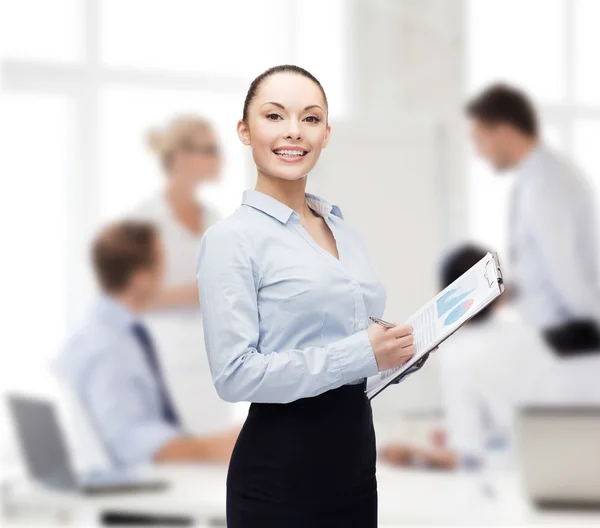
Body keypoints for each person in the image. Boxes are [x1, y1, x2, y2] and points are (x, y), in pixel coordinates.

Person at [196, 65, 422, 527]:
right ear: (245, 130)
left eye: (311, 119)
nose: (294, 132)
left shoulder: (342, 227)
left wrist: (394, 352)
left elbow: (350, 344)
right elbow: (235, 375)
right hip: (279, 476)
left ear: (326, 134)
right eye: (274, 116)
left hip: (355, 466)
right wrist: (360, 352)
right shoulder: (231, 240)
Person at [58, 221, 238, 466]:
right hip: (132, 489)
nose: (166, 269)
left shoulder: (108, 332)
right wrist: (214, 447)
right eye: (161, 258)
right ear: (140, 278)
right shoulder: (110, 346)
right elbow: (129, 440)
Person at [380, 244, 556, 470]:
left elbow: (468, 458)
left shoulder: (457, 357)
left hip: (504, 481)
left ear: (444, 295)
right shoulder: (529, 337)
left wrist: (410, 453)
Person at [466, 84, 600, 355]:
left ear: (503, 132)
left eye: (479, 138)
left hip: (565, 341)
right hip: (552, 334)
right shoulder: (536, 179)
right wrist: (508, 291)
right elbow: (545, 264)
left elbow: (567, 271)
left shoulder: (547, 184)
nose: (478, 152)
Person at [133, 115, 234, 436]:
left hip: (210, 365)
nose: (220, 159)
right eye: (210, 150)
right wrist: (198, 292)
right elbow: (131, 300)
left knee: (210, 467)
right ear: (180, 157)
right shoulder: (146, 222)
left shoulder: (214, 219)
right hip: (163, 365)